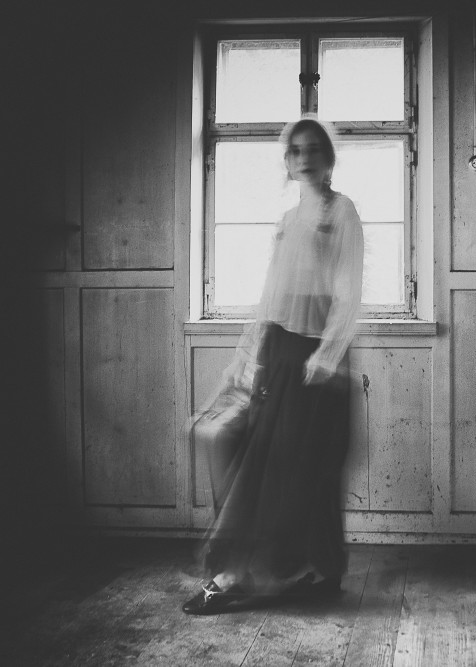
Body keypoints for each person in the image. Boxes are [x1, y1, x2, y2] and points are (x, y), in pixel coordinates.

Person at [183, 115, 364, 615]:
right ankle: (276, 569)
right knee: (254, 456)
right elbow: (271, 296)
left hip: (316, 360)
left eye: (314, 149)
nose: (304, 158)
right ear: (287, 161)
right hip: (278, 353)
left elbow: (348, 291)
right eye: (296, 151)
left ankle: (294, 571)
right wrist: (243, 361)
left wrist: (326, 356)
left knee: (300, 469)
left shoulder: (341, 212)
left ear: (328, 158)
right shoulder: (287, 220)